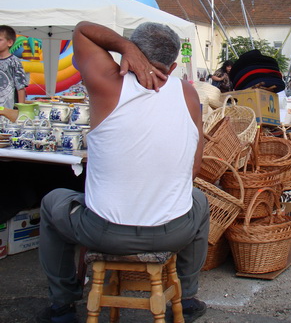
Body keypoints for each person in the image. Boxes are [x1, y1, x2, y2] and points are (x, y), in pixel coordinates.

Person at [36, 21, 209, 323]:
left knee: (53, 202)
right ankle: (189, 297)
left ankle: (62, 305)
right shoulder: (188, 95)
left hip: (105, 232)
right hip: (173, 232)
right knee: (199, 201)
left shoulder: (106, 80)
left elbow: (82, 30)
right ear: (173, 64)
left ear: (131, 56)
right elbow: (192, 170)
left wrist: (125, 47)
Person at [0, 25, 29, 109]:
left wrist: (21, 109)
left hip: (8, 110)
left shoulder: (14, 61)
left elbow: (20, 88)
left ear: (9, 42)